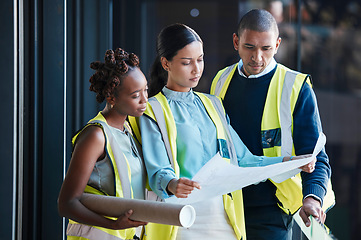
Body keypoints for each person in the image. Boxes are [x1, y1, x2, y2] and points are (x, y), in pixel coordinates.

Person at [128, 23, 315, 240]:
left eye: (200, 59)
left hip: (223, 216)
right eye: (187, 62)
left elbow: (244, 160)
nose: (196, 69)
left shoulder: (213, 104)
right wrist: (172, 184)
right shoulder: (152, 109)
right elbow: (157, 169)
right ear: (166, 63)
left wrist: (289, 162)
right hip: (182, 217)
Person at [210, 9, 335, 240]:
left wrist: (312, 197)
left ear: (277, 45)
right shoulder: (221, 80)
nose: (257, 57)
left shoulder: (296, 87)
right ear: (236, 42)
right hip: (226, 208)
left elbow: (316, 157)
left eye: (266, 48)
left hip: (273, 214)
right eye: (249, 47)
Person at [58, 48, 148, 240]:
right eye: (135, 95)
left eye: (146, 90)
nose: (144, 100)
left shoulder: (128, 130)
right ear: (111, 97)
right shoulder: (96, 135)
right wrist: (114, 225)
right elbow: (66, 203)